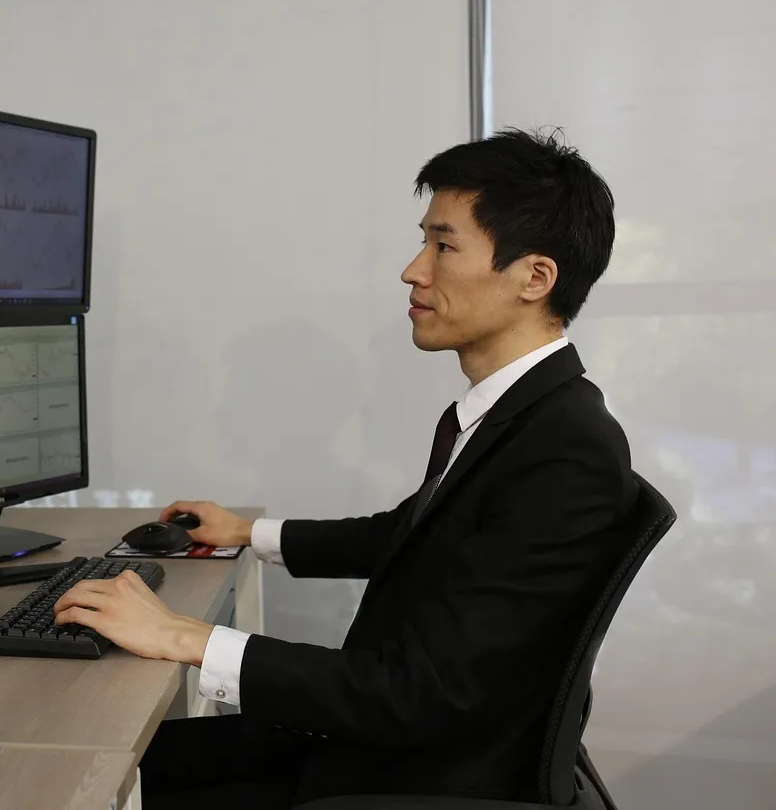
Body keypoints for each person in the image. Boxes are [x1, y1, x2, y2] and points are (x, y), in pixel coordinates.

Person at [52, 128, 639, 809]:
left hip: (413, 772)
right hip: (386, 744)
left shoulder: (566, 450)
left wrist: (183, 634)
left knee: (92, 784)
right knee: (103, 759)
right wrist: (249, 531)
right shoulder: (525, 416)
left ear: (534, 277)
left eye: (443, 246)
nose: (414, 269)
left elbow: (420, 695)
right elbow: (414, 532)